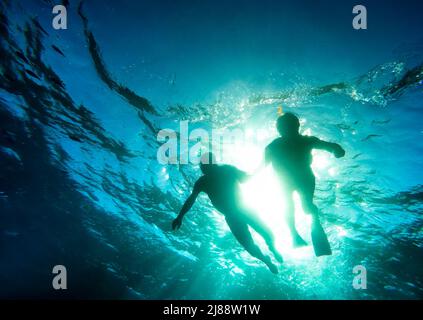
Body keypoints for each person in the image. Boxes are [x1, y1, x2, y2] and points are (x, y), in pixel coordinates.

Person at [172, 153, 282, 274]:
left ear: (211, 163)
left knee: (267, 233)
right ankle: (266, 260)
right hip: (233, 216)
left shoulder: (226, 170)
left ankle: (273, 248)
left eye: (203, 164)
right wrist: (180, 216)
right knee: (250, 245)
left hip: (244, 209)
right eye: (201, 164)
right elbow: (191, 199)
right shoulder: (203, 181)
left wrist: (260, 169)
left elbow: (246, 178)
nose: (201, 167)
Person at [265, 113, 345, 256]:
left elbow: (328, 145)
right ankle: (296, 234)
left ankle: (305, 228)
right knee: (292, 206)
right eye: (283, 127)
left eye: (288, 126)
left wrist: (336, 149)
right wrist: (336, 149)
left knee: (301, 206)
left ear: (297, 126)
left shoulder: (300, 142)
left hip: (302, 179)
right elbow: (328, 146)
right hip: (290, 180)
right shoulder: (275, 146)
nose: (286, 130)